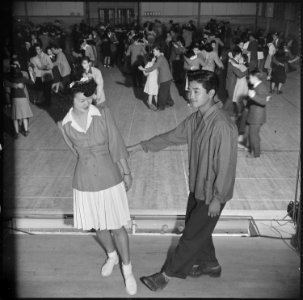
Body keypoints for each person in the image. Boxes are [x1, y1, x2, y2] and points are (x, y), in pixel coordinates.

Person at [127, 70, 238, 292]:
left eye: (197, 91)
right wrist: (138, 147)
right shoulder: (196, 119)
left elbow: (226, 167)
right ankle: (210, 264)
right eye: (190, 90)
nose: (191, 95)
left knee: (191, 234)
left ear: (212, 93)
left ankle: (166, 275)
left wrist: (217, 198)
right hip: (198, 188)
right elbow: (171, 136)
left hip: (212, 195)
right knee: (198, 230)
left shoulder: (222, 125)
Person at [57, 79, 137, 296]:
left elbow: (117, 145)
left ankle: (127, 269)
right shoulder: (63, 124)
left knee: (117, 226)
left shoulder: (103, 113)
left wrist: (126, 172)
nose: (87, 102)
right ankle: (112, 256)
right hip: (84, 181)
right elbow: (75, 152)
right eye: (82, 99)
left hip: (110, 176)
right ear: (70, 99)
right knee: (98, 226)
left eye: (89, 97)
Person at [139, 44, 174, 110]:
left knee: (161, 93)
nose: (153, 52)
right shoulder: (160, 57)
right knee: (166, 91)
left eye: (154, 51)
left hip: (165, 78)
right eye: (153, 51)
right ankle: (170, 102)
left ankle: (161, 107)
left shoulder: (160, 58)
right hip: (167, 78)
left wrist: (143, 69)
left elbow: (153, 67)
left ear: (158, 51)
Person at [5, 61, 34, 138]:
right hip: (23, 98)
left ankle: (16, 133)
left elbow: (5, 84)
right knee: (24, 116)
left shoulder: (10, 79)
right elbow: (32, 82)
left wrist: (14, 85)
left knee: (15, 117)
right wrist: (31, 73)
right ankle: (26, 131)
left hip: (14, 99)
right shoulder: (23, 77)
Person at [246, 69, 270, 158]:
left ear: (254, 77)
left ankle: (255, 154)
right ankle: (257, 150)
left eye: (250, 77)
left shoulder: (261, 87)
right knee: (255, 134)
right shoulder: (257, 85)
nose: (249, 79)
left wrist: (253, 96)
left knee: (253, 135)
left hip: (257, 116)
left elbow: (264, 101)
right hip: (255, 114)